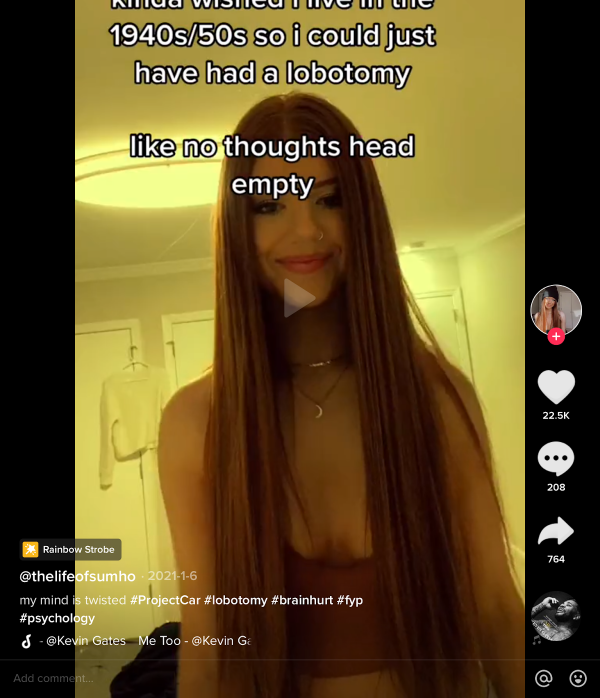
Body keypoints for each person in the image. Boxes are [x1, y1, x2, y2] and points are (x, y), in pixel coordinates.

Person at [158, 92, 524, 698]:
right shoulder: (196, 421)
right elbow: (209, 645)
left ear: (363, 214)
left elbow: (498, 609)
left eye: (329, 199)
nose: (306, 229)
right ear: (238, 228)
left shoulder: (435, 396)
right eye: (269, 206)